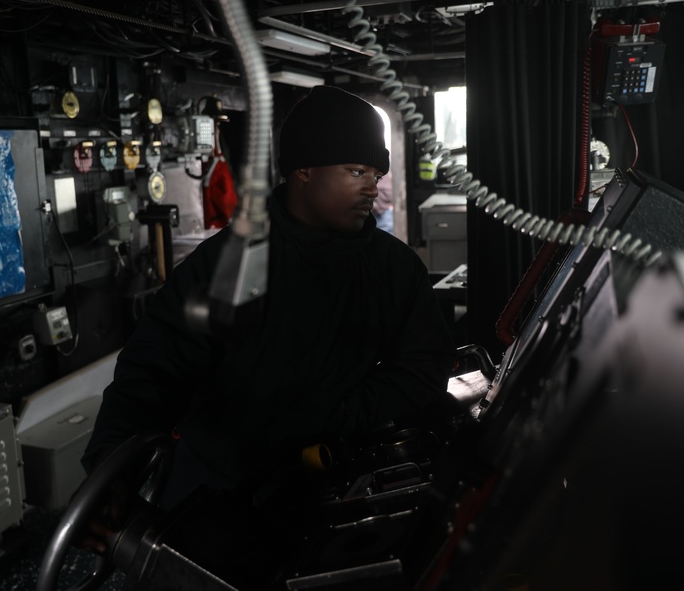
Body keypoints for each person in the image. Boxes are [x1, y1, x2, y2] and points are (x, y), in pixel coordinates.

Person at [80, 86, 455, 545]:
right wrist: (109, 463)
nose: (371, 187)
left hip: (332, 473)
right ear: (303, 169)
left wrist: (337, 413)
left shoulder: (393, 269)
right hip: (214, 482)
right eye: (356, 170)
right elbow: (155, 369)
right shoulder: (229, 265)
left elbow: (424, 366)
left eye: (375, 174)